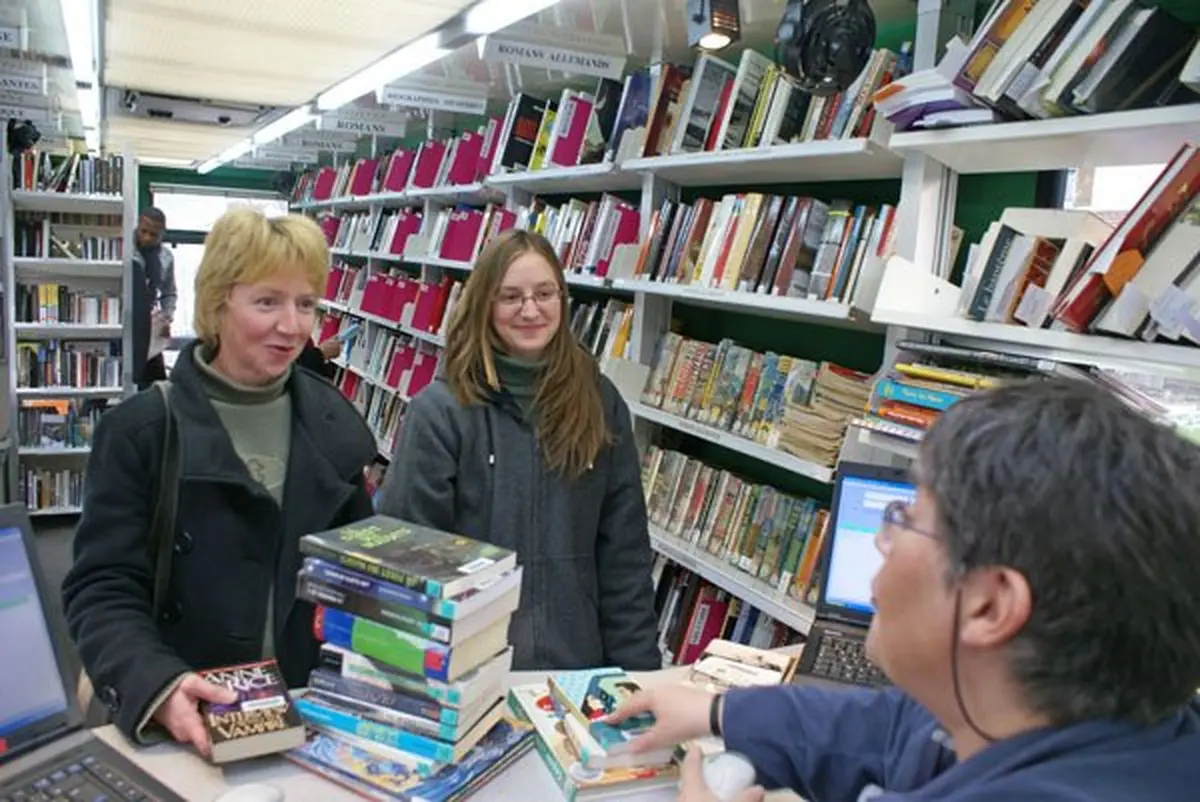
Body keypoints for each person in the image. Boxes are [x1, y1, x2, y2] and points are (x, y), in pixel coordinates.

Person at [609, 379, 1200, 801]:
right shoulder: (1107, 729)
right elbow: (892, 728)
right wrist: (717, 709)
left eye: (907, 518)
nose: (883, 542)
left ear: (990, 605)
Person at [62, 207, 376, 758]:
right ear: (218, 301)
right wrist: (157, 685)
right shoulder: (142, 432)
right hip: (184, 716)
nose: (292, 326)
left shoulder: (335, 423)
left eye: (306, 304)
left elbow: (359, 578)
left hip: (311, 720)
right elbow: (101, 589)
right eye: (267, 302)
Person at [376, 229, 661, 672]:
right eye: (510, 297)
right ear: (485, 305)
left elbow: (624, 557)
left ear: (563, 300)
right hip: (467, 676)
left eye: (544, 293)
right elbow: (409, 566)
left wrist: (640, 676)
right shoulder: (440, 412)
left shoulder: (600, 403)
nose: (530, 310)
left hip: (577, 671)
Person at [131, 207, 177, 389]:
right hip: (124, 320)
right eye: (144, 231)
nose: (148, 238)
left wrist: (167, 316)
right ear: (137, 226)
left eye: (154, 234)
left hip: (150, 324)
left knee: (156, 384)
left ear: (162, 234)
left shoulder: (166, 258)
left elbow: (169, 292)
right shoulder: (124, 249)